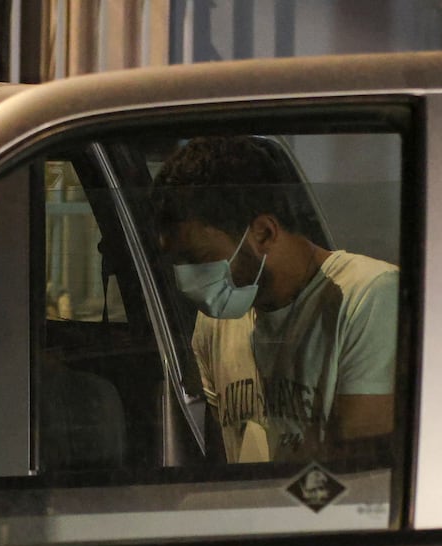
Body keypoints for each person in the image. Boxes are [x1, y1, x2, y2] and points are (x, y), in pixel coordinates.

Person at [151, 135, 398, 464]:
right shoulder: (216, 320)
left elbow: (363, 468)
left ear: (264, 233)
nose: (187, 278)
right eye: (178, 262)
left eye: (200, 258)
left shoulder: (367, 297)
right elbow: (221, 457)